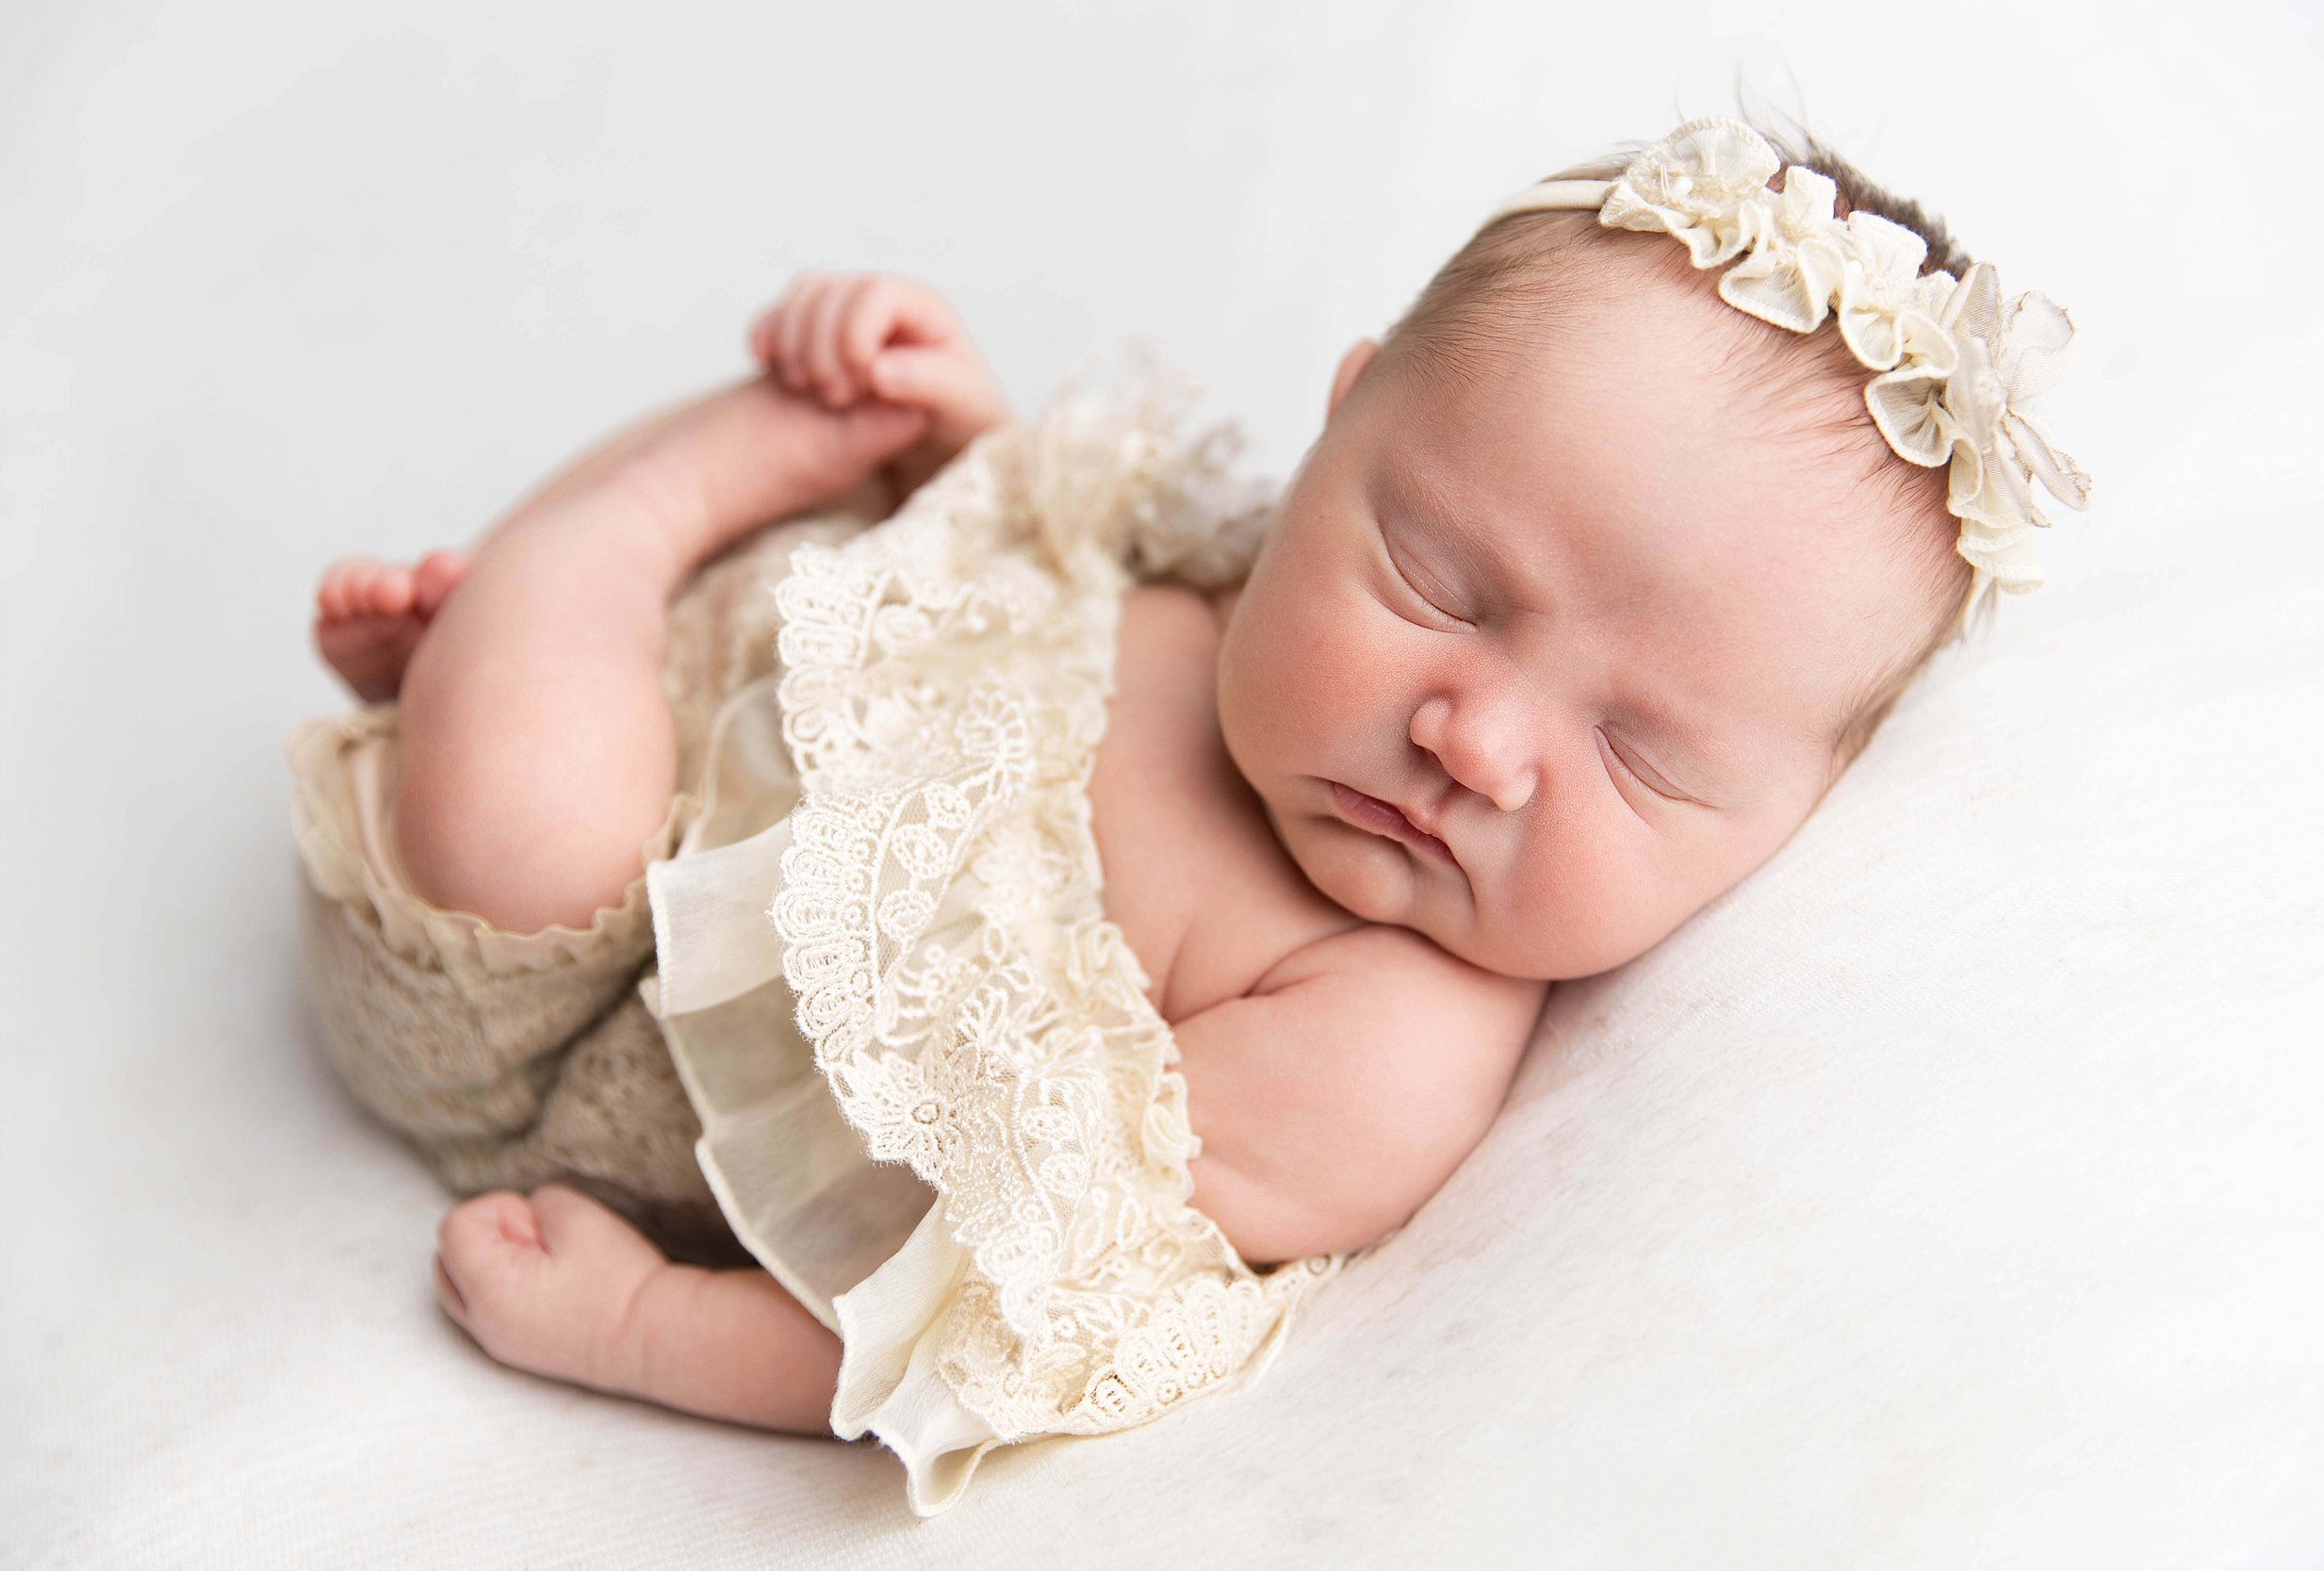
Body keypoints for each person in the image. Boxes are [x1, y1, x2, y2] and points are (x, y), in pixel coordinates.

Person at [285, 116, 2089, 1515]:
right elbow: (1037, 552)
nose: (1479, 741)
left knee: (525, 823)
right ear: (1336, 428)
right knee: (741, 575)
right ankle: (656, 540)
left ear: (1793, 814)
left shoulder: (1380, 1047)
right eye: (1443, 584)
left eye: (1641, 756)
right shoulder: (1241, 592)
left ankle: (571, 575)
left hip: (560, 1018)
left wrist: (641, 1327)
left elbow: (1015, 1310)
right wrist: (940, 437)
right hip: (746, 674)